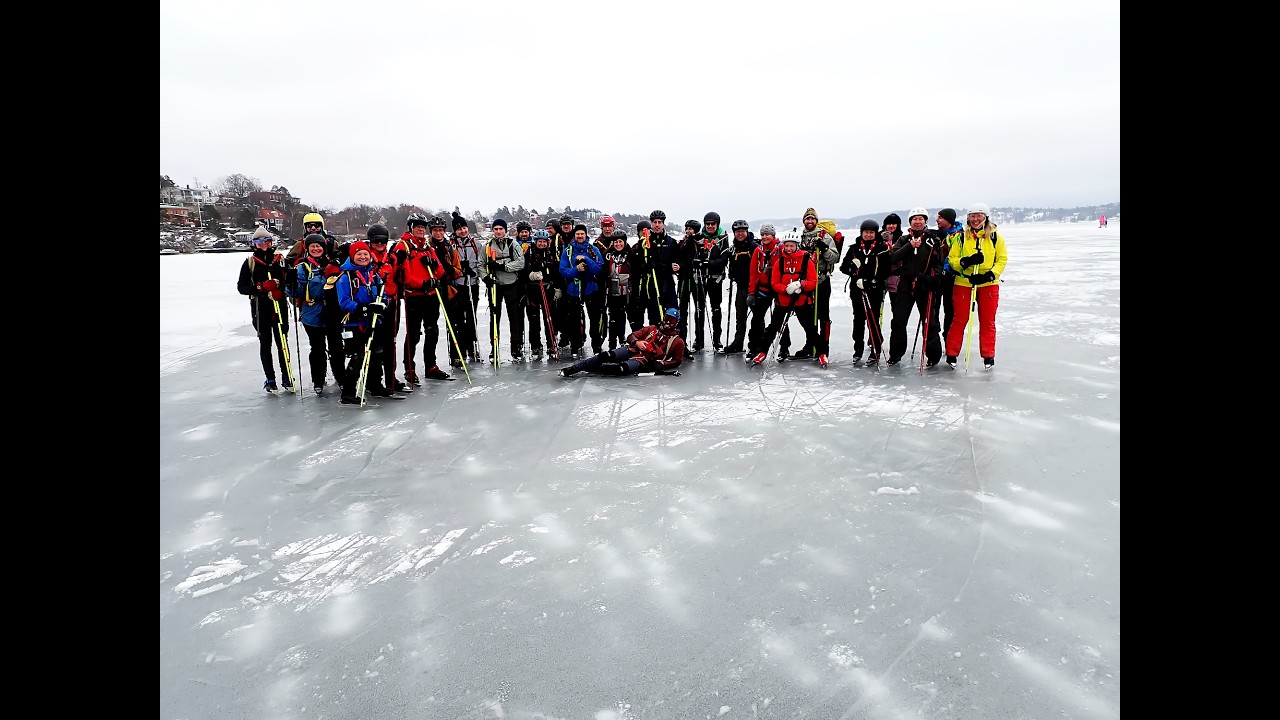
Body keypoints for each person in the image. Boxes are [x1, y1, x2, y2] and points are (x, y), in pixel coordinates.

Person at [945, 203, 1008, 369]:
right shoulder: (961, 237)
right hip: (964, 282)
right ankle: (952, 353)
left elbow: (1002, 259)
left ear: (985, 217)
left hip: (988, 284)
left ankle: (988, 355)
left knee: (987, 321)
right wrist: (966, 261)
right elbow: (952, 260)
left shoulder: (995, 237)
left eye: (979, 215)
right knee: (959, 319)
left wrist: (990, 274)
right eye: (972, 216)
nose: (975, 219)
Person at [751, 236, 827, 368]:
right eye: (787, 246)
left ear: (796, 246)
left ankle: (822, 353)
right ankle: (762, 352)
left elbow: (812, 282)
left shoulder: (806, 260)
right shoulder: (779, 262)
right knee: (773, 328)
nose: (789, 249)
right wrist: (786, 289)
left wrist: (800, 285)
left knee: (810, 328)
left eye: (792, 246)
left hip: (802, 301)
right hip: (783, 301)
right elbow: (774, 283)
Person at [236, 226, 294, 393]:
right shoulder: (250, 263)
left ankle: (286, 376)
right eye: (259, 241)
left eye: (266, 241)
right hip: (260, 308)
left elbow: (288, 281)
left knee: (282, 341)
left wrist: (283, 283)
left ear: (271, 242)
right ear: (254, 244)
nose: (263, 244)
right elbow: (242, 287)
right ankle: (270, 378)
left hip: (279, 305)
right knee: (265, 342)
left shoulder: (279, 260)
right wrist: (260, 288)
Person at [399, 214, 455, 383]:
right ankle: (409, 368)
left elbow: (440, 271)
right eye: (417, 226)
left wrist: (432, 266)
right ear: (411, 228)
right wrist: (422, 283)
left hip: (431, 296)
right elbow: (404, 275)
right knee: (414, 334)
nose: (420, 229)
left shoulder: (427, 247)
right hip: (414, 296)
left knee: (432, 331)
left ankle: (431, 365)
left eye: (423, 227)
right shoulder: (403, 246)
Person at [886, 208, 945, 367]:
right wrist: (910, 246)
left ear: (925, 221)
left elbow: (939, 262)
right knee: (898, 321)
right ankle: (896, 354)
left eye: (921, 219)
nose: (917, 222)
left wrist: (934, 278)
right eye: (914, 219)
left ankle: (933, 356)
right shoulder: (904, 239)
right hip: (905, 285)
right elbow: (893, 258)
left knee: (929, 322)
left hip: (925, 284)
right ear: (910, 222)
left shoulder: (933, 239)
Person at [288, 232, 345, 394]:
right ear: (307, 248)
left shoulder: (333, 264)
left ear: (324, 248)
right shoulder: (302, 268)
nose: (316, 248)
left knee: (336, 347)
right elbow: (296, 293)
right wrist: (290, 282)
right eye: (312, 246)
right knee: (317, 348)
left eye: (319, 246)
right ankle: (318, 380)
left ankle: (341, 378)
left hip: (333, 312)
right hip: (312, 312)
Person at [335, 240, 390, 404]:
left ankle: (375, 385)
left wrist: (382, 304)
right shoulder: (345, 277)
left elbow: (383, 294)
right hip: (354, 323)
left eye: (365, 254)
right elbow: (343, 302)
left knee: (377, 354)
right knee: (358, 357)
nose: (363, 257)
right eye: (359, 254)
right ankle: (348, 392)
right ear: (352, 257)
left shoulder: (373, 274)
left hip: (373, 321)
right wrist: (364, 308)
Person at [559, 307, 686, 377]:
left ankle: (593, 369)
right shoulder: (652, 329)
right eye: (667, 318)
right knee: (606, 356)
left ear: (676, 324)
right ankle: (574, 369)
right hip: (632, 349)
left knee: (622, 369)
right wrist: (636, 343)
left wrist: (663, 364)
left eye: (672, 321)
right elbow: (632, 335)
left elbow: (678, 360)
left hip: (643, 360)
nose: (668, 323)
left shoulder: (677, 341)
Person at [365, 224, 412, 394]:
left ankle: (390, 378)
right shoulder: (365, 257)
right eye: (375, 240)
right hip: (373, 305)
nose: (379, 244)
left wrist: (401, 262)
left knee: (389, 342)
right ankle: (373, 381)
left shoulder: (391, 257)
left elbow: (404, 279)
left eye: (382, 240)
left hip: (391, 303)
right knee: (374, 343)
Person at [789, 208, 840, 359]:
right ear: (803, 221)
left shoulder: (824, 237)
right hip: (805, 283)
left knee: (823, 315)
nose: (809, 221)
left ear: (816, 221)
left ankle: (824, 348)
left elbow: (835, 258)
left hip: (821, 281)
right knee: (808, 316)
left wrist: (823, 248)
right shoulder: (800, 238)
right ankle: (810, 344)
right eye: (807, 219)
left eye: (812, 219)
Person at [839, 219, 891, 366]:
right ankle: (858, 349)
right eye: (866, 232)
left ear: (876, 233)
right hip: (857, 290)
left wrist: (870, 282)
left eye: (871, 232)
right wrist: (851, 268)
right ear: (861, 233)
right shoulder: (854, 248)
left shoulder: (882, 249)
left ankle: (876, 350)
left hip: (874, 290)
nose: (868, 235)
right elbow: (843, 268)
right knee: (858, 320)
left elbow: (886, 271)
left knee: (873, 320)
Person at [483, 218, 528, 362]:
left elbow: (520, 263)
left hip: (511, 284)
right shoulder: (487, 245)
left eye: (500, 229)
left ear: (505, 230)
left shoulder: (513, 244)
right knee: (494, 318)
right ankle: (494, 348)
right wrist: (485, 278)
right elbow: (480, 264)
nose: (498, 232)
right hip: (495, 285)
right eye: (495, 229)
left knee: (514, 317)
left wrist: (504, 267)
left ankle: (515, 348)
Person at [558, 224, 604, 358]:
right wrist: (576, 270)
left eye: (582, 234)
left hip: (590, 288)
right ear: (574, 235)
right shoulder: (568, 251)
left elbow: (598, 269)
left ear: (585, 235)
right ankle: (575, 345)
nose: (580, 236)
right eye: (577, 234)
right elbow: (563, 271)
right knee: (574, 320)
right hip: (574, 289)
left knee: (594, 318)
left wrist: (587, 260)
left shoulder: (593, 249)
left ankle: (596, 345)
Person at [521, 229, 560, 360]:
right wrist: (530, 275)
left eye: (544, 242)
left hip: (547, 291)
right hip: (532, 292)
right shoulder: (528, 254)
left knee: (549, 320)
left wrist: (557, 288)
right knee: (534, 321)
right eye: (539, 241)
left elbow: (556, 272)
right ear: (535, 242)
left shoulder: (551, 254)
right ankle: (535, 346)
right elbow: (522, 271)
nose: (542, 244)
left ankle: (551, 345)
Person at [449, 212, 482, 365]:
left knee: (471, 318)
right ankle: (458, 352)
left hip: (472, 285)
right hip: (457, 286)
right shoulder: (450, 245)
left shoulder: (476, 244)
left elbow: (481, 263)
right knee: (457, 320)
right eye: (458, 229)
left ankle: (472, 347)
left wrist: (475, 272)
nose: (462, 231)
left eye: (464, 228)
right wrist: (460, 269)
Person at [722, 220, 759, 354]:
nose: (740, 234)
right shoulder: (734, 248)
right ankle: (738, 343)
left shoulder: (754, 246)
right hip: (740, 286)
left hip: (754, 288)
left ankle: (756, 345)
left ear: (747, 231)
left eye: (743, 231)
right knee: (740, 317)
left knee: (757, 318)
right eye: (738, 232)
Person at [745, 224, 780, 358]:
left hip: (777, 289)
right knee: (757, 319)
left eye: (767, 234)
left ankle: (784, 348)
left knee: (779, 319)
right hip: (763, 289)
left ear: (773, 235)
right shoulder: (758, 251)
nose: (764, 237)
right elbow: (753, 273)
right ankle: (753, 347)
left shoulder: (780, 249)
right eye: (763, 234)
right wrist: (751, 292)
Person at [934, 208, 962, 346]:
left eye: (940, 218)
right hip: (938, 278)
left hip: (954, 279)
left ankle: (948, 341)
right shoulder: (936, 235)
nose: (937, 220)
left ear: (949, 220)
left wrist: (947, 270)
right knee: (934, 309)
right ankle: (935, 340)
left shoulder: (960, 235)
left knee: (950, 311)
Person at [602, 230, 633, 350]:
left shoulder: (631, 254)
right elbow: (603, 270)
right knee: (613, 318)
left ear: (624, 242)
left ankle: (623, 339)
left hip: (627, 292)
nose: (618, 244)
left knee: (624, 317)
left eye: (620, 241)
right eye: (615, 242)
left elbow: (637, 271)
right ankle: (612, 343)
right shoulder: (608, 254)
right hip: (612, 292)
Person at [675, 219, 701, 346]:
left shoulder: (699, 242)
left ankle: (699, 338)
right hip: (684, 278)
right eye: (687, 228)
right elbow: (678, 257)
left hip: (695, 278)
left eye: (691, 229)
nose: (688, 231)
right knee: (683, 309)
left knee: (698, 308)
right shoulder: (682, 242)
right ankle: (682, 338)